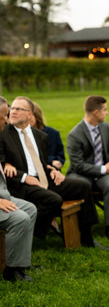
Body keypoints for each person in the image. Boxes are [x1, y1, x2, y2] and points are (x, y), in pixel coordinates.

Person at [0, 96, 98, 247]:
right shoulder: (3, 133)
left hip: (43, 179)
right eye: (12, 108)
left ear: (30, 114)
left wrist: (53, 170)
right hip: (21, 185)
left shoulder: (41, 136)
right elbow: (1, 165)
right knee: (54, 199)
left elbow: (41, 162)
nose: (13, 112)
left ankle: (87, 237)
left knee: (83, 186)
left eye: (19, 109)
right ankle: (31, 235)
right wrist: (22, 175)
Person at [66, 95, 109, 240]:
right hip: (81, 174)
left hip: (103, 172)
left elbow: (108, 150)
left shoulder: (104, 126)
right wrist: (104, 169)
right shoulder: (75, 135)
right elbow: (78, 166)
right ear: (96, 113)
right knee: (84, 185)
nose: (107, 113)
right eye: (105, 110)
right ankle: (86, 226)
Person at [0, 96, 37, 282]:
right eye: (3, 116)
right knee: (20, 218)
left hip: (4, 195)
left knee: (30, 208)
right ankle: (11, 271)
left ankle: (21, 263)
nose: (6, 120)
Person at [31, 102, 65, 170]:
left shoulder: (53, 133)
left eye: (30, 115)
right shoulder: (22, 135)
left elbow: (61, 155)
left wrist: (59, 162)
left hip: (54, 172)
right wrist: (51, 160)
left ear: (37, 116)